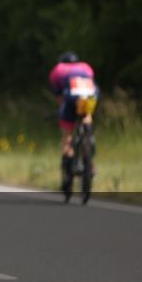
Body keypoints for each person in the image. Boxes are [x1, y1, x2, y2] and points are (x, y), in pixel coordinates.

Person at [48, 51, 99, 193]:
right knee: (86, 117)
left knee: (67, 136)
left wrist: (62, 114)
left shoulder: (57, 70)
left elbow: (59, 97)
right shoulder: (86, 67)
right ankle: (88, 141)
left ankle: (67, 167)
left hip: (71, 96)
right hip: (90, 94)